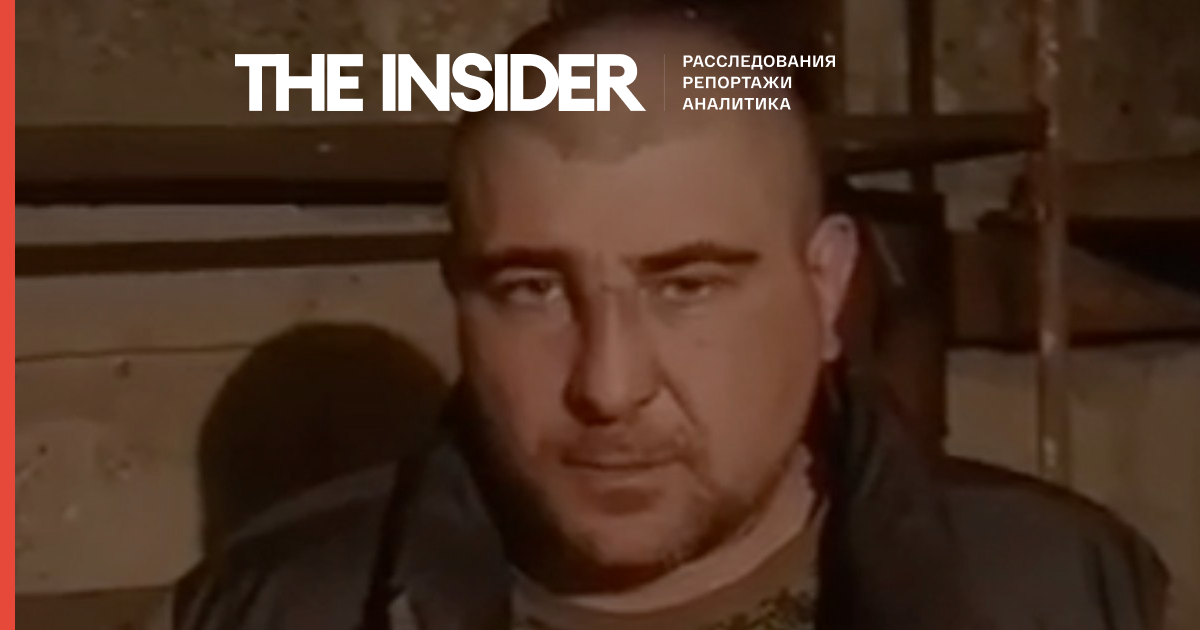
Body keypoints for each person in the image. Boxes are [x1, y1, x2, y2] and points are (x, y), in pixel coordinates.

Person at [163, 9, 1169, 630]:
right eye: (531, 289)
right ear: (459, 296)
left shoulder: (1067, 590)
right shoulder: (274, 610)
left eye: (687, 285)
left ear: (827, 290)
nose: (609, 386)